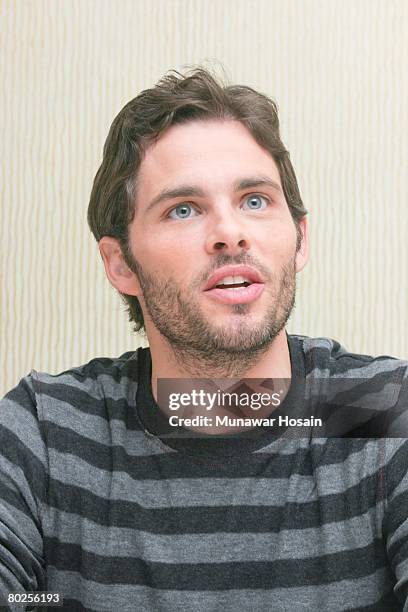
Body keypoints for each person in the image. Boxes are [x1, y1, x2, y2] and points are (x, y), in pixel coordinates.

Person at [1, 67, 407, 612]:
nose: (230, 232)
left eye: (256, 200)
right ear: (121, 264)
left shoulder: (380, 413)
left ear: (300, 238)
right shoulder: (46, 434)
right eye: (183, 209)